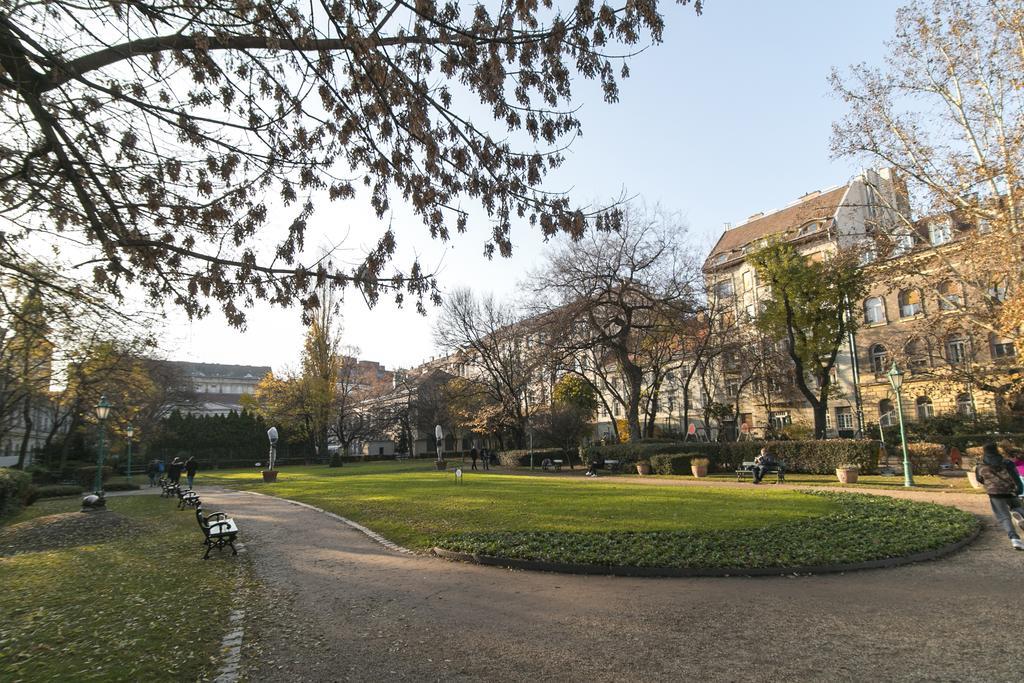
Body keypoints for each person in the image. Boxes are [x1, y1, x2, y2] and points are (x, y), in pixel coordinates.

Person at [975, 443, 1024, 550]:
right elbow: (1016, 477)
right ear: (996, 450)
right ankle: (1020, 515)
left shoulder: (980, 465)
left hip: (994, 493)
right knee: (1017, 507)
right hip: (1010, 491)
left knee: (1004, 516)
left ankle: (1015, 539)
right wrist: (1019, 489)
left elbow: (979, 479)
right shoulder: (1007, 463)